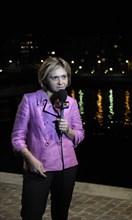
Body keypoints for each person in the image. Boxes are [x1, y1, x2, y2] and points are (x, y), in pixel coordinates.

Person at [11, 56, 85, 220]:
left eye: (64, 76)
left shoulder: (71, 102)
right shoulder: (29, 100)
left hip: (67, 166)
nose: (61, 82)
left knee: (61, 214)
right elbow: (17, 138)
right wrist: (31, 160)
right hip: (39, 166)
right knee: (32, 214)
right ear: (45, 79)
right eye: (55, 77)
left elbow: (80, 134)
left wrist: (69, 131)